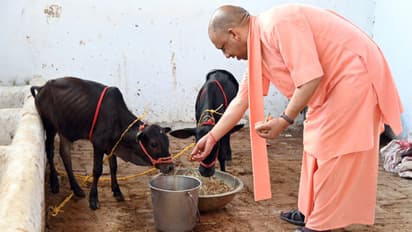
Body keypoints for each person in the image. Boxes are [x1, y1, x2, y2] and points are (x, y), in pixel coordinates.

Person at [190, 4, 403, 232]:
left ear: (234, 33)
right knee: (313, 142)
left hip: (354, 75)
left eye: (223, 47)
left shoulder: (278, 24)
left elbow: (310, 79)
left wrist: (284, 120)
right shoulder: (258, 45)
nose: (227, 55)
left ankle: (319, 225)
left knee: (332, 150)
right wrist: (212, 137)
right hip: (332, 83)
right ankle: (308, 210)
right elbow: (242, 100)